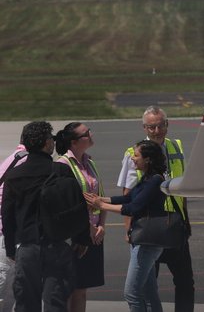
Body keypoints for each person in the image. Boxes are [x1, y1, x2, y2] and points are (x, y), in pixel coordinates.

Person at [117, 106, 194, 311]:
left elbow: (182, 187)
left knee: (185, 281)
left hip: (174, 223)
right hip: (149, 226)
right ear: (144, 128)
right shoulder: (134, 153)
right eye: (151, 127)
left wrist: (186, 220)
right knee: (148, 286)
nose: (157, 131)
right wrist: (128, 230)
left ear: (167, 125)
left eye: (161, 125)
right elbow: (127, 193)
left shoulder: (176, 146)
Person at [1, 121, 80, 312]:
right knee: (55, 300)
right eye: (51, 139)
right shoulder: (61, 171)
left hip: (27, 246)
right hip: (56, 245)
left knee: (26, 301)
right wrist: (80, 239)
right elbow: (77, 207)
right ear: (46, 144)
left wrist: (11, 248)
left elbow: (7, 216)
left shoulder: (15, 175)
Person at [87, 140, 167, 312]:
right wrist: (101, 199)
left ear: (148, 159)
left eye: (136, 155)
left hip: (146, 243)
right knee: (149, 291)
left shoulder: (155, 181)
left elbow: (133, 208)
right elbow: (128, 198)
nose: (132, 158)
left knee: (132, 293)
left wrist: (102, 206)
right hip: (144, 241)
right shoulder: (147, 179)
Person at [55, 123, 106, 312]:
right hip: (76, 236)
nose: (91, 134)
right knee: (69, 289)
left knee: (82, 289)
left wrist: (102, 225)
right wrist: (86, 229)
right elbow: (66, 204)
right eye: (86, 133)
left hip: (94, 233)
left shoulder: (90, 162)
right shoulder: (62, 165)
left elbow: (99, 197)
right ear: (74, 142)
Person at [0, 142, 27, 312]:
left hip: (7, 231)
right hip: (5, 232)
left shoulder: (14, 158)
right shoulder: (24, 161)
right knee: (4, 280)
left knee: (10, 285)